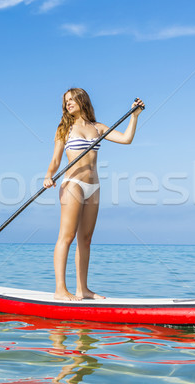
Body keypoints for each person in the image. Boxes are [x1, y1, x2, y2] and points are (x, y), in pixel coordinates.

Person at [43, 88, 144, 301]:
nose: (68, 103)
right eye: (66, 101)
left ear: (82, 100)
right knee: (67, 236)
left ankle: (83, 289)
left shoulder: (98, 128)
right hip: (73, 184)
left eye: (72, 99)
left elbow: (126, 139)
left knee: (85, 240)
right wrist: (48, 175)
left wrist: (134, 116)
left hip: (94, 186)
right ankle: (60, 289)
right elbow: (55, 160)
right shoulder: (64, 128)